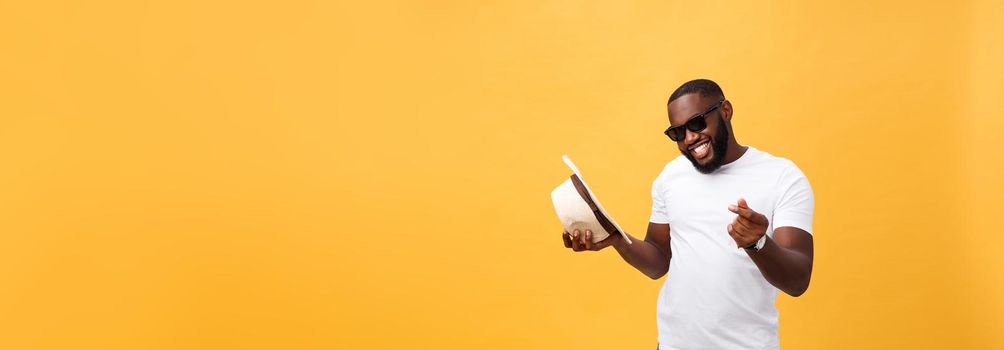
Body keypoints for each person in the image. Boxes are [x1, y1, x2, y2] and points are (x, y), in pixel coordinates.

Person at [562, 79, 814, 349]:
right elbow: (659, 261)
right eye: (678, 133)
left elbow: (797, 280)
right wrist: (616, 238)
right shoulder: (671, 177)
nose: (690, 138)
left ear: (725, 110)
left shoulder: (782, 177)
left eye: (696, 123)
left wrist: (758, 243)